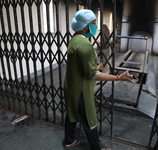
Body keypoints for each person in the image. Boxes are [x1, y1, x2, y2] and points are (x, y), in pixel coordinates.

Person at [64, 9, 134, 150]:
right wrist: (117, 77)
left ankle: (69, 140)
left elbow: (81, 67)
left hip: (72, 86)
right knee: (89, 119)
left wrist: (94, 67)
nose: (96, 26)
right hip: (81, 90)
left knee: (72, 112)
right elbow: (92, 75)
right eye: (94, 23)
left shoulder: (74, 40)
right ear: (84, 26)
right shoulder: (85, 45)